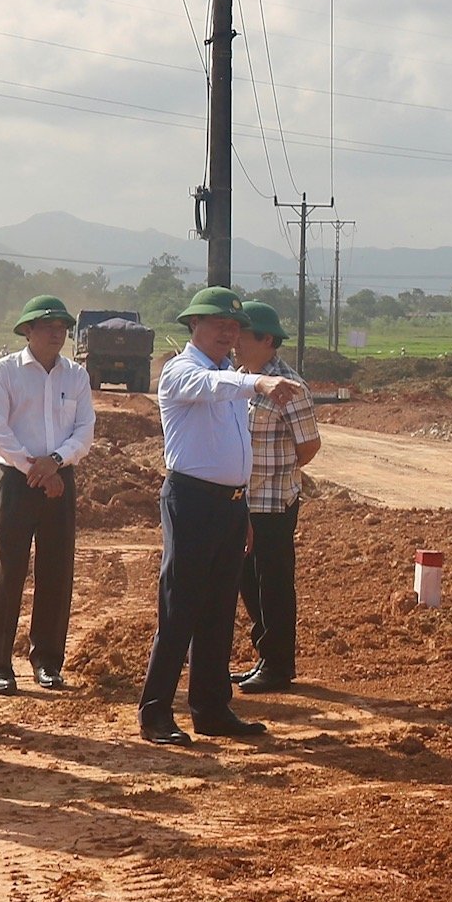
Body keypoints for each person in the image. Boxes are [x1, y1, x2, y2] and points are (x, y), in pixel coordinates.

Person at [138, 287, 305, 746]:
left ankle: (211, 707)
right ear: (195, 325)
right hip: (191, 501)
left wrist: (242, 506)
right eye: (218, 325)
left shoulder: (230, 375)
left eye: (233, 327)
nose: (227, 333)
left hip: (231, 504)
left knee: (218, 610)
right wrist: (258, 383)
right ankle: (155, 712)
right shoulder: (182, 371)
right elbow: (209, 388)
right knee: (179, 609)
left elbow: (237, 444)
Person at [0, 294, 94, 694]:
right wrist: (37, 470)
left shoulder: (76, 376)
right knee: (9, 572)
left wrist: (56, 462)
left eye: (62, 327)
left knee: (56, 572)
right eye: (48, 326)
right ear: (27, 330)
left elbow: (84, 431)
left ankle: (47, 661)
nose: (56, 333)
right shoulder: (4, 371)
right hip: (15, 482)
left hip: (61, 481)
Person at [232, 301, 321, 693]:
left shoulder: (290, 388)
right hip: (242, 500)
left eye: (242, 336)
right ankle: (266, 654)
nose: (234, 343)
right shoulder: (239, 378)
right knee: (247, 580)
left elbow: (310, 445)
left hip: (273, 501)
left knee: (273, 582)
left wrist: (280, 472)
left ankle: (279, 665)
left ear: (267, 340)